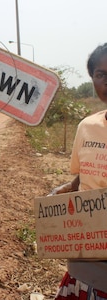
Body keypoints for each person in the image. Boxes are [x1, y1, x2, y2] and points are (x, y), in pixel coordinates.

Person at [50, 43, 107, 299]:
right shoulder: (87, 127)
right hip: (87, 256)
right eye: (100, 74)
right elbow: (84, 174)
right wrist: (62, 192)